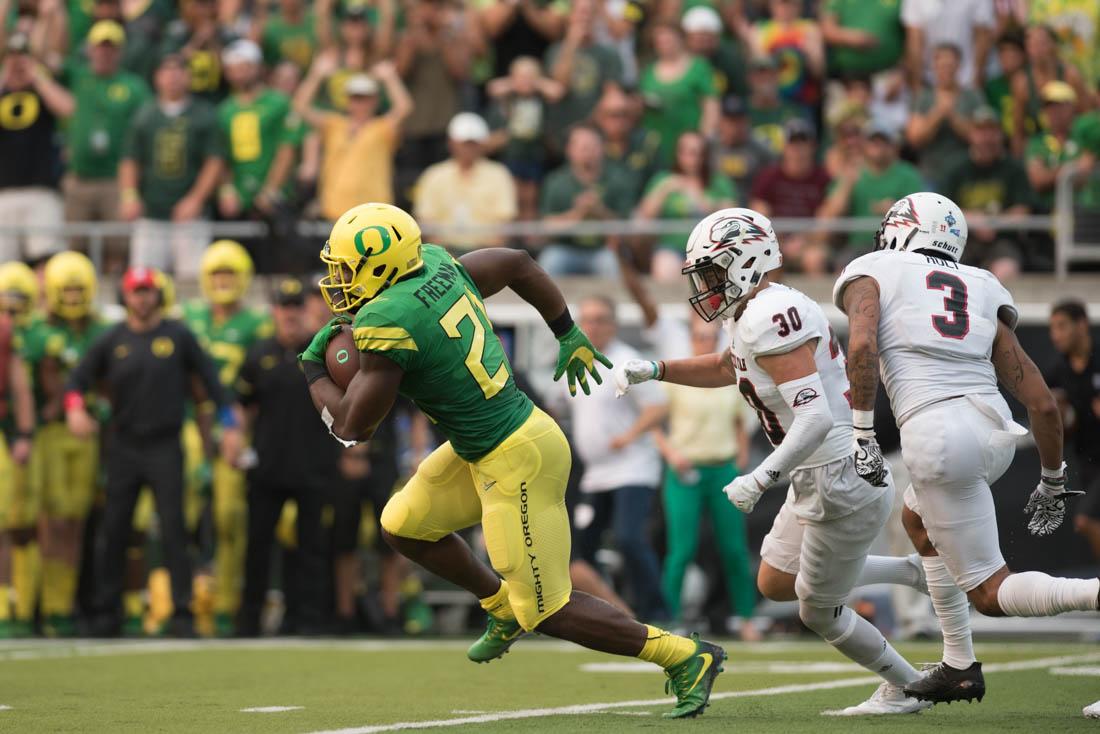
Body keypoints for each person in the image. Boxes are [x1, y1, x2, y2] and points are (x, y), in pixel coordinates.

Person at [299, 202, 725, 719]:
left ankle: (685, 655)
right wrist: (566, 330)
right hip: (487, 443)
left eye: (345, 267)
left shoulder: (389, 318)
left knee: (548, 609)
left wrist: (312, 371)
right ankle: (499, 607)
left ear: (380, 264)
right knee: (403, 524)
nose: (336, 279)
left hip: (517, 457)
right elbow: (519, 262)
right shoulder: (434, 264)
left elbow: (352, 427)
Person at [614, 207, 932, 715]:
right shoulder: (755, 311)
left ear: (748, 260)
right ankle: (913, 572)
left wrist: (759, 478)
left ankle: (908, 686)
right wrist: (655, 369)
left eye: (714, 272)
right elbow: (727, 366)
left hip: (836, 472)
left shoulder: (769, 314)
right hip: (817, 472)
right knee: (776, 582)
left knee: (819, 610)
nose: (707, 286)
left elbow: (815, 420)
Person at [833, 192, 1099, 709]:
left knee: (991, 594)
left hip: (937, 436)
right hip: (993, 433)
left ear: (905, 228)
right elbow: (1041, 402)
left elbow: (862, 348)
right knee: (916, 521)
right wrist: (1050, 478)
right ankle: (958, 664)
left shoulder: (873, 268)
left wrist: (861, 435)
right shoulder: (980, 283)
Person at [65, 266, 242, 638]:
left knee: (175, 529)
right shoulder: (111, 339)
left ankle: (182, 612)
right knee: (115, 529)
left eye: (147, 291)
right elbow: (77, 381)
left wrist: (231, 426)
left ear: (157, 295)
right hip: (124, 445)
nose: (142, 298)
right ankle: (107, 612)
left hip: (165, 444)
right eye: (135, 292)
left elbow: (214, 384)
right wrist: (75, 408)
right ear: (125, 297)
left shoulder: (177, 336)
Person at [632, 317, 759, 637]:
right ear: (690, 341)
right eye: (699, 337)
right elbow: (654, 422)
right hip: (685, 469)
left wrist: (741, 453)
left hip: (723, 470)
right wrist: (670, 453)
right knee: (681, 549)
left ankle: (745, 618)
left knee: (733, 547)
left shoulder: (728, 377)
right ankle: (669, 617)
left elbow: (740, 421)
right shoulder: (676, 380)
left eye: (709, 337)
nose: (704, 342)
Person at [557, 296, 669, 622]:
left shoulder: (626, 361)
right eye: (587, 319)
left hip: (631, 469)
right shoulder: (574, 362)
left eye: (600, 319)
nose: (592, 326)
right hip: (594, 473)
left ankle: (656, 613)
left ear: (613, 324)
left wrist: (629, 436)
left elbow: (658, 406)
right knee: (581, 548)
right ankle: (602, 614)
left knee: (629, 539)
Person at [181, 240, 272, 636]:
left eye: (229, 274)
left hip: (236, 426)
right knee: (178, 512)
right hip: (187, 423)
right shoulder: (187, 318)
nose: (222, 282)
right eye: (216, 274)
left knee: (230, 518)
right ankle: (177, 599)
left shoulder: (258, 325)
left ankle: (226, 604)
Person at [235, 277, 335, 637]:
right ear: (274, 311)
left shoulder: (321, 351)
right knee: (258, 546)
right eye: (284, 307)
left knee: (312, 548)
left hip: (314, 464)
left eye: (296, 306)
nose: (290, 314)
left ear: (305, 311)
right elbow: (242, 403)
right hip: (267, 466)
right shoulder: (258, 353)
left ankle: (308, 620)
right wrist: (234, 438)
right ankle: (249, 621)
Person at [34, 252, 112, 637]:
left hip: (94, 432)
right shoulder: (37, 329)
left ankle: (70, 603)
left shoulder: (103, 330)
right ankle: (52, 605)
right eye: (65, 288)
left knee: (80, 519)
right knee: (53, 519)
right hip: (50, 433)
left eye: (78, 288)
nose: (71, 295)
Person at [120, 54, 224, 279]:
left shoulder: (204, 114)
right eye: (167, 71)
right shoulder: (144, 115)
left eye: (179, 70)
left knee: (192, 280)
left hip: (191, 218)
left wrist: (196, 199)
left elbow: (214, 161)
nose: (173, 77)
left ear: (188, 76)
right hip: (151, 214)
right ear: (157, 77)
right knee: (144, 279)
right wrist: (130, 195)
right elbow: (130, 158)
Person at [61, 20, 151, 265]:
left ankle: (114, 299)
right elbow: (46, 61)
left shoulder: (134, 86)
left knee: (117, 246)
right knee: (75, 246)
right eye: (100, 47)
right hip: (79, 178)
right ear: (90, 49)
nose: (105, 52)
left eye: (111, 48)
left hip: (116, 179)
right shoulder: (78, 76)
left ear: (120, 52)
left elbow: (146, 131)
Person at [293, 55, 413, 219]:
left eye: (365, 97)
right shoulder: (334, 124)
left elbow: (404, 107)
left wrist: (390, 78)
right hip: (335, 209)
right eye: (356, 97)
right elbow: (300, 106)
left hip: (374, 211)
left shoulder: (381, 127)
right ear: (348, 100)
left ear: (375, 100)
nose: (360, 103)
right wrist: (316, 74)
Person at [0, 32, 72, 262]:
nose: (17, 62)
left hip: (42, 190)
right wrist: (4, 79)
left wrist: (37, 77)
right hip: (3, 192)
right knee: (4, 267)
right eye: (12, 56)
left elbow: (68, 108)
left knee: (46, 260)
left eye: (22, 56)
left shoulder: (41, 91)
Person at [942, 106, 1032, 278]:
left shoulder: (1014, 169)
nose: (987, 138)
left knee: (1007, 269)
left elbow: (1022, 211)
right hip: (962, 239)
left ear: (1000, 135)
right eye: (981, 131)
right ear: (971, 134)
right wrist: (975, 221)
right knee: (950, 269)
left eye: (992, 131)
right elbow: (944, 210)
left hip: (1003, 240)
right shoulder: (955, 170)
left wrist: (994, 223)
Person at [817, 121, 924, 266]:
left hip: (897, 246)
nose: (878, 146)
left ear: (893, 146)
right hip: (858, 247)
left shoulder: (908, 175)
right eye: (873, 142)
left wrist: (895, 211)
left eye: (883, 142)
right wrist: (847, 185)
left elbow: (921, 213)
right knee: (842, 266)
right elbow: (831, 216)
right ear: (865, 145)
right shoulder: (851, 172)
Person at [215, 40, 297, 226]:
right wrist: (227, 189)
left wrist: (271, 190)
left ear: (258, 68)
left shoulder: (278, 103)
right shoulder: (224, 110)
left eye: (244, 68)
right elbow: (220, 155)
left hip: (275, 199)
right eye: (233, 69)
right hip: (239, 198)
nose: (239, 74)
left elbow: (287, 149)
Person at [636, 131, 737, 281]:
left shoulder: (718, 182)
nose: (693, 158)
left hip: (710, 249)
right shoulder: (663, 180)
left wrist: (701, 199)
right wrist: (664, 191)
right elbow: (644, 216)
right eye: (687, 152)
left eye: (698, 153)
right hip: (670, 247)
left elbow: (734, 216)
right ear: (678, 153)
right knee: (664, 268)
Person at [538, 124, 634, 278]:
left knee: (612, 263)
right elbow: (546, 227)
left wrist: (600, 212)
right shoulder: (556, 182)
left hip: (605, 250)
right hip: (565, 249)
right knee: (550, 260)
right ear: (569, 150)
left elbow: (628, 228)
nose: (587, 151)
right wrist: (578, 214)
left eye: (592, 146)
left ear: (603, 148)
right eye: (582, 146)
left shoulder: (619, 179)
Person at [413, 112, 517, 251]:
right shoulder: (434, 175)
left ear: (482, 144)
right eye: (465, 143)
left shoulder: (499, 174)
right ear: (451, 143)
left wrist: (488, 255)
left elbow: (504, 223)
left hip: (487, 254)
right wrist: (444, 257)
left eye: (473, 143)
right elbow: (426, 221)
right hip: (444, 255)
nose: (469, 148)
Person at [1045, 301, 1100, 563]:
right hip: (1089, 462)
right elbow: (1046, 416)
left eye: (1062, 326)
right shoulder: (1056, 373)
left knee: (1086, 520)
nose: (1055, 335)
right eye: (1052, 328)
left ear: (1081, 325)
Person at [0, 263, 36, 638]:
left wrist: (24, 432)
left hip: (5, 432)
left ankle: (8, 607)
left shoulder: (9, 334)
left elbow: (21, 386)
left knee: (7, 523)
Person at [749, 119, 831, 274]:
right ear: (784, 147)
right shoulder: (769, 176)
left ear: (813, 146)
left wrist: (804, 240)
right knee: (770, 259)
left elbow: (826, 218)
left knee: (815, 258)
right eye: (793, 143)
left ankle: (816, 298)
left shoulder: (823, 178)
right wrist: (780, 243)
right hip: (776, 242)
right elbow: (759, 217)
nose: (798, 149)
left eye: (803, 143)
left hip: (810, 243)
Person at [639, 22, 719, 166]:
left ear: (680, 39)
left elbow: (711, 104)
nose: (665, 44)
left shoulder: (698, 67)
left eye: (669, 39)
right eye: (660, 41)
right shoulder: (648, 72)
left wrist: (704, 138)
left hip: (690, 142)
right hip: (658, 142)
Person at [905, 43, 984, 189]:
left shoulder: (972, 96)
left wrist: (953, 116)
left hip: (967, 175)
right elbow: (914, 138)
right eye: (941, 65)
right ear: (934, 67)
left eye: (950, 65)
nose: (946, 70)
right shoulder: (924, 97)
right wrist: (938, 114)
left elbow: (981, 137)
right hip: (931, 175)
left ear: (958, 66)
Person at [545, 0, 623, 145]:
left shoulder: (609, 54)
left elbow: (612, 98)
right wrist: (572, 43)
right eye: (581, 12)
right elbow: (559, 87)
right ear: (570, 16)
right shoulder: (555, 51)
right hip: (560, 132)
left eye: (590, 12)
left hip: (595, 133)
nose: (585, 17)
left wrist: (586, 126)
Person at [901, 0, 994, 90]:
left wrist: (976, 80)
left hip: (966, 80)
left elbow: (982, 38)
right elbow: (914, 42)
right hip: (928, 80)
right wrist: (917, 85)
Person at [713, 95, 773, 196]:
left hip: (749, 208)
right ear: (721, 122)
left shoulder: (760, 148)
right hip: (717, 208)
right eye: (730, 121)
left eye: (739, 120)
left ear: (747, 121)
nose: (735, 126)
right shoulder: (711, 145)